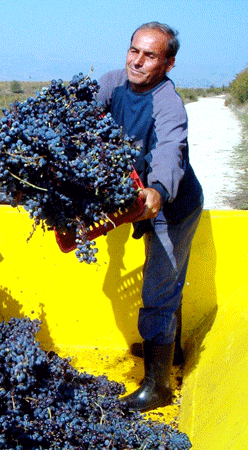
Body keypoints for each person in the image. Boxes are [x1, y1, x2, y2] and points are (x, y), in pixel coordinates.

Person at [95, 22, 203, 412]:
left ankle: (157, 387)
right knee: (164, 284)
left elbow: (170, 149)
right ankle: (167, 350)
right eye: (134, 50)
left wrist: (157, 187)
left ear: (169, 63)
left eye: (150, 55)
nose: (137, 61)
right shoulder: (112, 83)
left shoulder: (168, 101)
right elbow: (79, 118)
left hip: (172, 205)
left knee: (158, 291)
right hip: (136, 197)